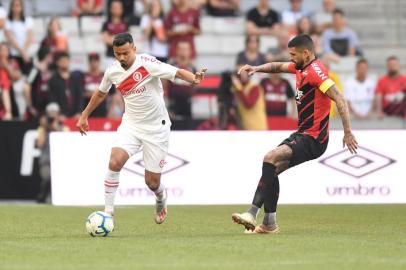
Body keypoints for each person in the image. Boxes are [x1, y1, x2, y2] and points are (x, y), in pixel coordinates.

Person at [76, 33, 207, 224]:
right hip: (131, 125)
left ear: (134, 49)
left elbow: (176, 72)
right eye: (117, 53)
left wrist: (193, 79)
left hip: (156, 128)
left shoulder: (147, 63)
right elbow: (101, 92)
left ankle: (161, 196)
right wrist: (85, 114)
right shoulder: (112, 71)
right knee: (114, 162)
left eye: (125, 53)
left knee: (152, 182)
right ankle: (108, 214)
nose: (121, 58)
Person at [232, 34, 358, 234]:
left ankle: (251, 213)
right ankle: (269, 224)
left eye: (293, 54)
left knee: (270, 157)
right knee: (271, 169)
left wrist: (348, 132)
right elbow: (278, 66)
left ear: (306, 53)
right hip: (302, 134)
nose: (290, 58)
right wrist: (256, 68)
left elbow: (339, 99)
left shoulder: (316, 73)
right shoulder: (300, 67)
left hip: (314, 138)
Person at [36, 102, 66, 203]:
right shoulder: (42, 128)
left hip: (60, 160)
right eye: (50, 113)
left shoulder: (64, 128)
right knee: (47, 176)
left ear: (58, 114)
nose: (52, 115)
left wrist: (55, 127)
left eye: (54, 113)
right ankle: (42, 196)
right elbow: (39, 144)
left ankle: (52, 198)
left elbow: (66, 142)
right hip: (45, 159)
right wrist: (45, 128)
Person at [48, 52, 83, 118]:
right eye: (62, 61)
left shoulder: (75, 78)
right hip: (60, 116)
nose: (65, 63)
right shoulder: (53, 80)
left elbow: (79, 97)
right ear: (57, 63)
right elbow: (52, 98)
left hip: (75, 116)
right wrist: (58, 114)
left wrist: (79, 112)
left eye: (66, 60)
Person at [167, 41, 196, 122]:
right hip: (173, 102)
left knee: (188, 124)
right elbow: (165, 83)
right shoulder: (171, 65)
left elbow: (195, 84)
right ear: (177, 51)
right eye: (181, 49)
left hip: (187, 102)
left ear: (190, 51)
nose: (183, 51)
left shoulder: (192, 68)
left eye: (185, 49)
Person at [4, 0, 33, 75]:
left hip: (26, 54)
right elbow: (10, 38)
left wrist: (24, 51)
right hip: (14, 54)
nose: (16, 8)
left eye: (18, 5)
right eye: (14, 5)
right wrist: (22, 52)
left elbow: (29, 37)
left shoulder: (28, 20)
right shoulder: (8, 22)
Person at [101, 0, 129, 66]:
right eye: (115, 7)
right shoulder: (106, 24)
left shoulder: (126, 24)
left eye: (119, 7)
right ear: (110, 9)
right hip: (110, 57)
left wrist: (112, 38)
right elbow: (107, 40)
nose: (117, 9)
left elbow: (128, 41)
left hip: (123, 58)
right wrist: (121, 39)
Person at [83, 53, 110, 117]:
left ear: (99, 62)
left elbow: (112, 94)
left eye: (95, 61)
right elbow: (81, 93)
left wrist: (110, 111)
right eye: (91, 61)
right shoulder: (83, 76)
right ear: (89, 62)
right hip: (88, 110)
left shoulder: (105, 76)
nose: (93, 63)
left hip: (102, 110)